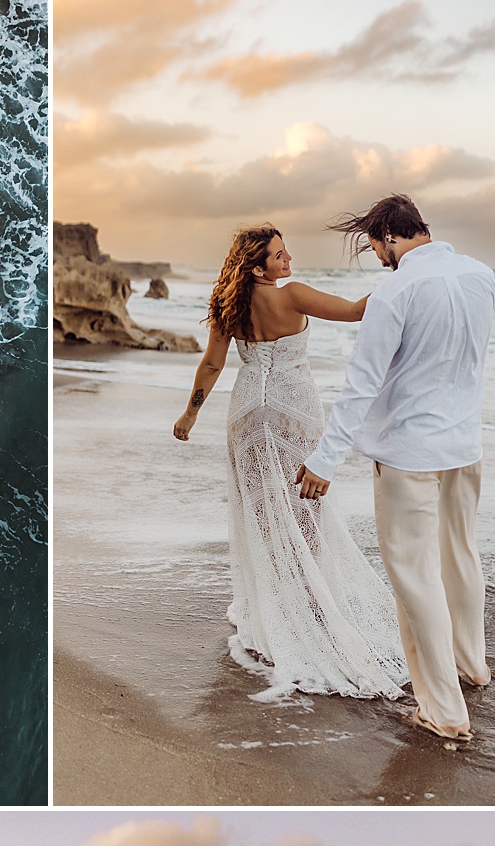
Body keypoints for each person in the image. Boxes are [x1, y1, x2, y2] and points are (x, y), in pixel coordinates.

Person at [171, 225, 407, 702]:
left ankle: (278, 602)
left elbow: (213, 365)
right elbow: (358, 311)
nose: (288, 260)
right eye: (279, 256)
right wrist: (403, 274)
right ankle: (311, 604)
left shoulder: (228, 308)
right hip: (294, 412)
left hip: (244, 418)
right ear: (257, 267)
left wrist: (190, 412)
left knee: (261, 516)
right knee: (307, 512)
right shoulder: (293, 296)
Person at [296, 195, 495, 741]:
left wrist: (325, 460)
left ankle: (444, 711)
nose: (378, 257)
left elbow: (361, 383)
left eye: (374, 246)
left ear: (389, 234)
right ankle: (470, 665)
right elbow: (468, 362)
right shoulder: (481, 276)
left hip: (410, 453)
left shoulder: (397, 290)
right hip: (465, 445)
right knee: (460, 557)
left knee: (415, 576)